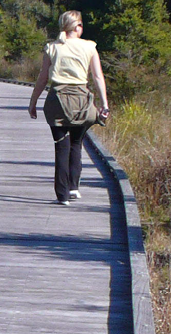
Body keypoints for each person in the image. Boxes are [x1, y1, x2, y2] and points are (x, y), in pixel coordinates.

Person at [28, 11, 110, 205]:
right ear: (76, 27)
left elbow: (43, 78)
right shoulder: (90, 47)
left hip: (57, 101)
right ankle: (74, 187)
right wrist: (104, 104)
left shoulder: (52, 48)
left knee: (61, 146)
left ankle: (62, 194)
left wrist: (33, 102)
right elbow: (98, 77)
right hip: (81, 102)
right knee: (76, 144)